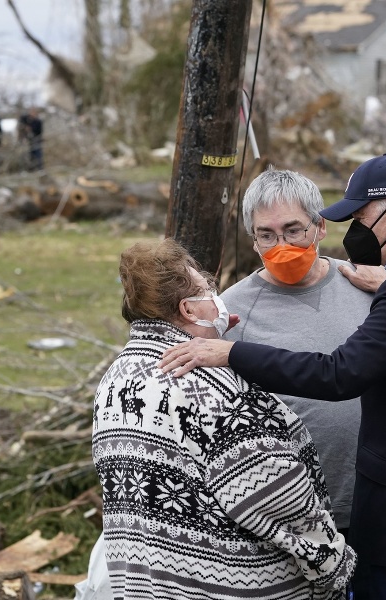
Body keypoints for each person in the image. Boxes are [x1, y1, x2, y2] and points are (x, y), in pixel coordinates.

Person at [160, 154, 386, 600]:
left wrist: (232, 353)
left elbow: (339, 374)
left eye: (360, 218)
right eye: (265, 234)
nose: (356, 231)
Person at [91, 238, 356, 599]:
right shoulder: (215, 390)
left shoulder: (116, 379)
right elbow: (279, 498)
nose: (216, 296)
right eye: (207, 288)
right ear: (188, 309)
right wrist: (333, 567)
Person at [220, 167, 373, 541]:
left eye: (293, 230)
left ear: (320, 227)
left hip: (376, 499)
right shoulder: (232, 310)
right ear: (252, 240)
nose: (281, 246)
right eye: (266, 235)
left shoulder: (365, 284)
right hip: (289, 516)